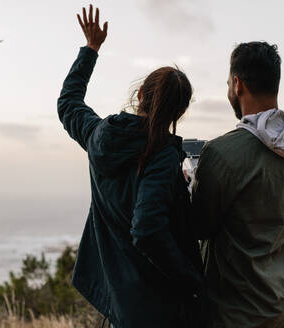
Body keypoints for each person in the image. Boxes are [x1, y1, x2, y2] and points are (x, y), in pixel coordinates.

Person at [57, 5, 203, 328]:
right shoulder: (162, 156)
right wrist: (192, 278)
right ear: (177, 114)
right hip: (159, 309)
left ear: (139, 94)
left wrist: (90, 50)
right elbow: (147, 229)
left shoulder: (99, 136)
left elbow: (68, 103)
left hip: (119, 305)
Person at [191, 42, 284, 328]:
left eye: (228, 83)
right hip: (282, 305)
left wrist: (191, 184)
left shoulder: (223, 152)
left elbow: (199, 226)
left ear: (237, 85)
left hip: (231, 311)